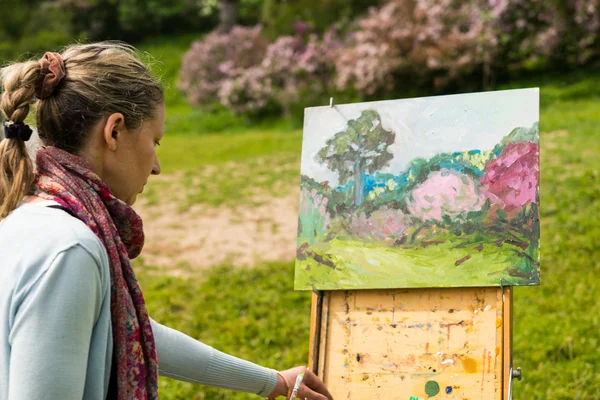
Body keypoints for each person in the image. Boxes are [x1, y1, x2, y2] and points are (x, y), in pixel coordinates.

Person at [0, 42, 333, 400]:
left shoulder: (30, 217)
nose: (157, 166)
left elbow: (132, 331)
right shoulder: (70, 249)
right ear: (114, 131)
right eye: (155, 142)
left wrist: (273, 382)